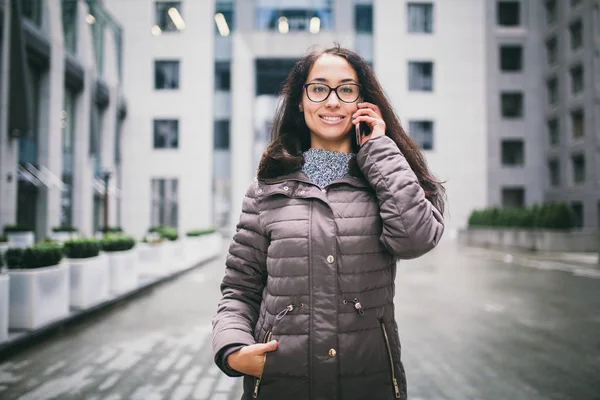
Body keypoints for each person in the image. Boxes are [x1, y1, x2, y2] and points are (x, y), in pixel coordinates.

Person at [212, 45, 446, 400]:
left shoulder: (382, 181)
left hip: (367, 382)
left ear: (362, 103)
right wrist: (233, 350)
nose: (332, 101)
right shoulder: (266, 191)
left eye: (346, 89)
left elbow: (416, 239)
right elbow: (239, 290)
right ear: (300, 102)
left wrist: (379, 150)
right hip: (281, 382)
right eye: (319, 88)